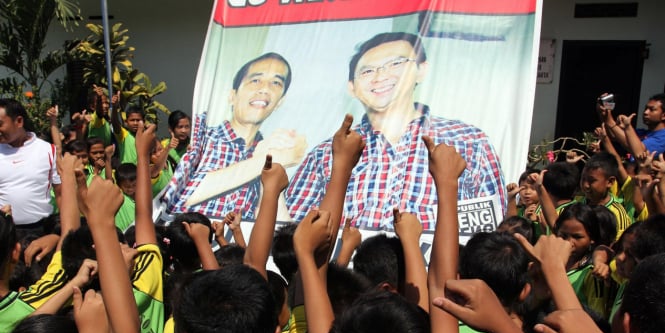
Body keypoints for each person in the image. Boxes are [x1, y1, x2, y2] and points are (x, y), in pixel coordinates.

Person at [285, 32, 506, 231]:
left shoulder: (468, 141)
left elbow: (489, 237)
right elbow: (293, 232)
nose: (380, 76)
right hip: (342, 275)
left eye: (396, 63)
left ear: (421, 70)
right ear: (351, 87)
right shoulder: (325, 154)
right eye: (368, 70)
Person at [161, 52, 306, 220]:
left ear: (280, 101)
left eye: (276, 82)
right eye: (255, 80)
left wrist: (273, 160)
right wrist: (270, 159)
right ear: (232, 95)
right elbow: (180, 197)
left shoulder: (268, 148)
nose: (265, 89)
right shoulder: (205, 139)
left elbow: (273, 222)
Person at [0, 99, 61, 232]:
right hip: (4, 232)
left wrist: (62, 231)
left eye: (0, 124)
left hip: (41, 231)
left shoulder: (48, 150)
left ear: (19, 121)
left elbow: (60, 193)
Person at [603, 93, 665, 157]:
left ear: (664, 115)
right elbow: (614, 135)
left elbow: (638, 152)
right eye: (646, 108)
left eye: (651, 109)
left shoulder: (663, 137)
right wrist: (604, 113)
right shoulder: (641, 133)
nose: (645, 112)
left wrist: (610, 121)